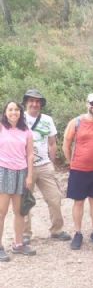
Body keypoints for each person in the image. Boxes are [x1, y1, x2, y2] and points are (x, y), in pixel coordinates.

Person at [63, 93, 93, 250]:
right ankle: (78, 233)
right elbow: (66, 143)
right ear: (87, 104)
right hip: (78, 169)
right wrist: (70, 162)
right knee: (78, 202)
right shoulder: (76, 122)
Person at [22, 89, 70, 243]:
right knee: (25, 200)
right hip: (23, 166)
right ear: (26, 102)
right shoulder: (18, 117)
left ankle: (57, 229)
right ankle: (25, 234)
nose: (34, 104)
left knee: (55, 198)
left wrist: (52, 161)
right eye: (31, 100)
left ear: (41, 104)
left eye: (37, 101)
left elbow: (52, 142)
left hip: (44, 165)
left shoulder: (47, 119)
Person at [0, 101, 35, 261]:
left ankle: (18, 244)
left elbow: (29, 155)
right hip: (4, 171)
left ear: (20, 113)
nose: (14, 112)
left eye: (16, 110)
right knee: (2, 211)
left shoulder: (26, 131)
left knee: (19, 211)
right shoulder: (1, 127)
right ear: (5, 112)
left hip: (21, 172)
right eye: (10, 109)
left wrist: (29, 176)